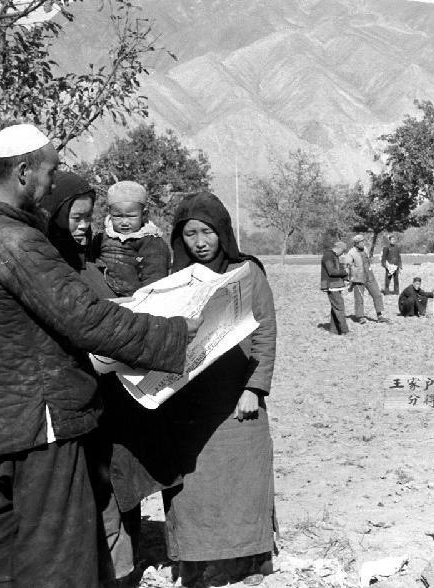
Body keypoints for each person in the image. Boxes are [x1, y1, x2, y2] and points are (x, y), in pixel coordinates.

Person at [0, 124, 196, 588]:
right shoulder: (17, 242)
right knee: (57, 556)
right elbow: (87, 319)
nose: (53, 182)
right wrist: (174, 333)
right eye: (51, 172)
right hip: (42, 424)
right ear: (24, 171)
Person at [161, 192, 277, 587]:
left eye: (207, 232)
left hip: (237, 396)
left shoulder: (248, 273)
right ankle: (196, 562)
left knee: (245, 481)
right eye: (190, 233)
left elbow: (265, 332)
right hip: (188, 402)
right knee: (193, 488)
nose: (200, 242)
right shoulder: (174, 280)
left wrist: (254, 389)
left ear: (222, 231)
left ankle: (249, 560)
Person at [94, 180, 171, 296]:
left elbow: (155, 275)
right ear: (110, 213)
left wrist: (146, 297)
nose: (124, 222)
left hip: (133, 297)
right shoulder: (102, 237)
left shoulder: (150, 241)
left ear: (144, 214)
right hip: (102, 292)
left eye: (131, 216)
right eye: (118, 216)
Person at [345, 234, 388, 324]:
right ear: (356, 243)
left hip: (370, 276)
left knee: (377, 295)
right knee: (359, 299)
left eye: (363, 241)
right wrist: (350, 280)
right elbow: (347, 267)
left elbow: (368, 261)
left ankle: (379, 315)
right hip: (358, 279)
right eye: (361, 242)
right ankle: (360, 317)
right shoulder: (351, 253)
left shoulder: (365, 249)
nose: (363, 243)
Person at [321, 241, 350, 335]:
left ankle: (334, 331)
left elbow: (338, 269)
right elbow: (332, 271)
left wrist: (346, 278)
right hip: (331, 286)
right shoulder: (328, 256)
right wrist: (345, 272)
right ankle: (344, 331)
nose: (343, 254)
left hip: (335, 285)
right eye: (343, 251)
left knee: (335, 308)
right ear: (339, 248)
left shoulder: (334, 256)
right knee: (340, 307)